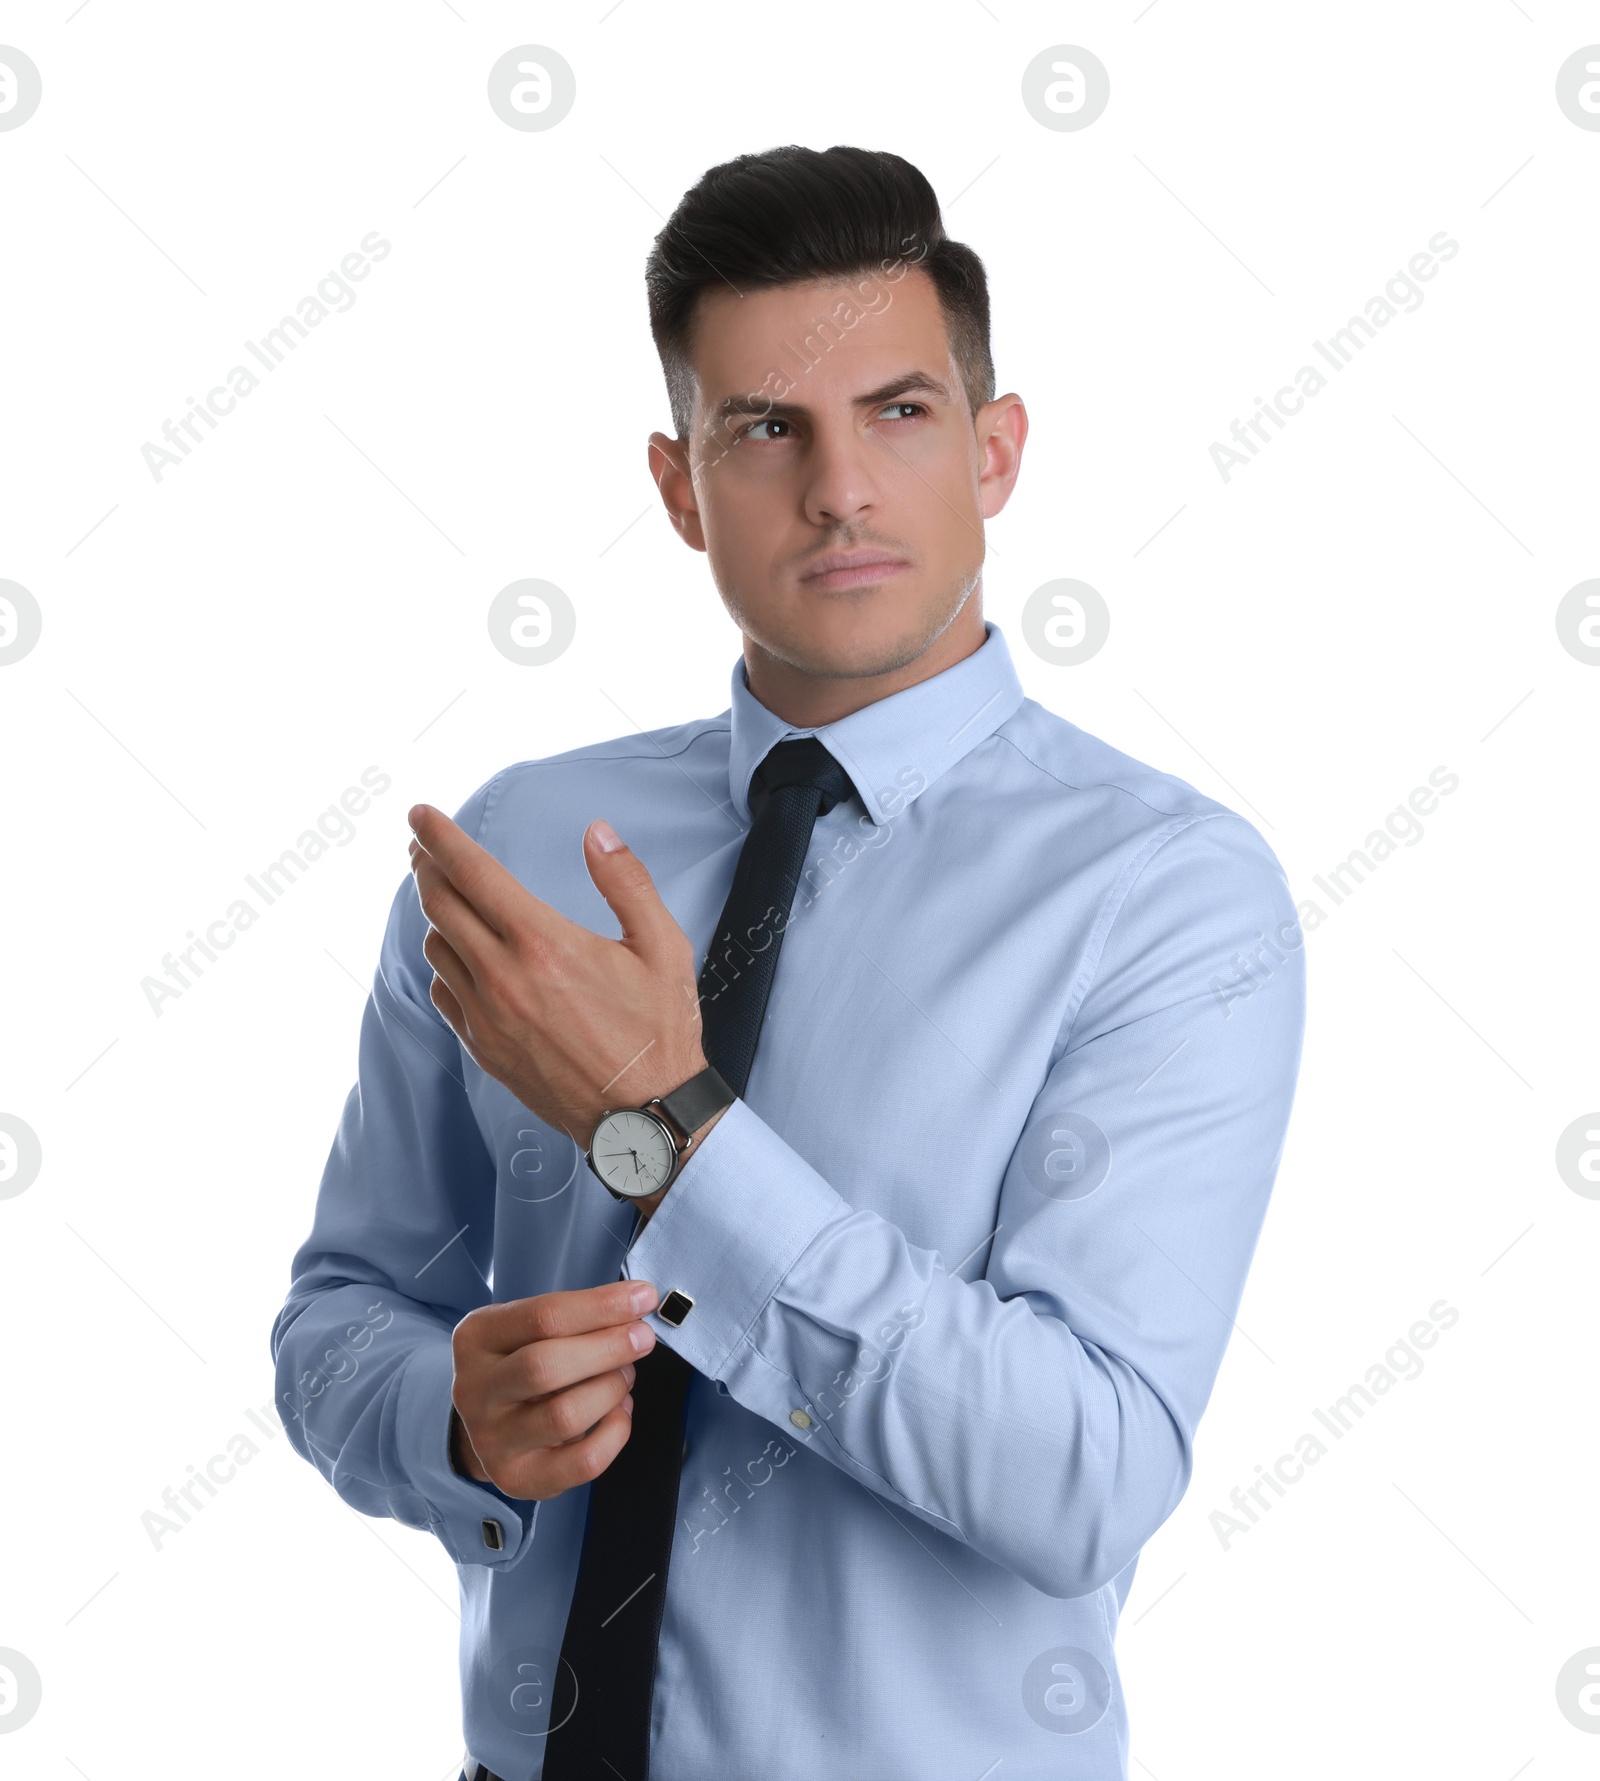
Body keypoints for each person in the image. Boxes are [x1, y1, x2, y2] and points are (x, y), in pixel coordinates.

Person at [270, 143, 1306, 1781]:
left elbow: (1084, 1475)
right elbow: (338, 1310)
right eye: (766, 429)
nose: (839, 489)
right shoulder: (522, 845)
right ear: (681, 485)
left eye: (898, 412)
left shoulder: (1166, 894)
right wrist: (448, 1419)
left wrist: (663, 1123)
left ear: (996, 447)